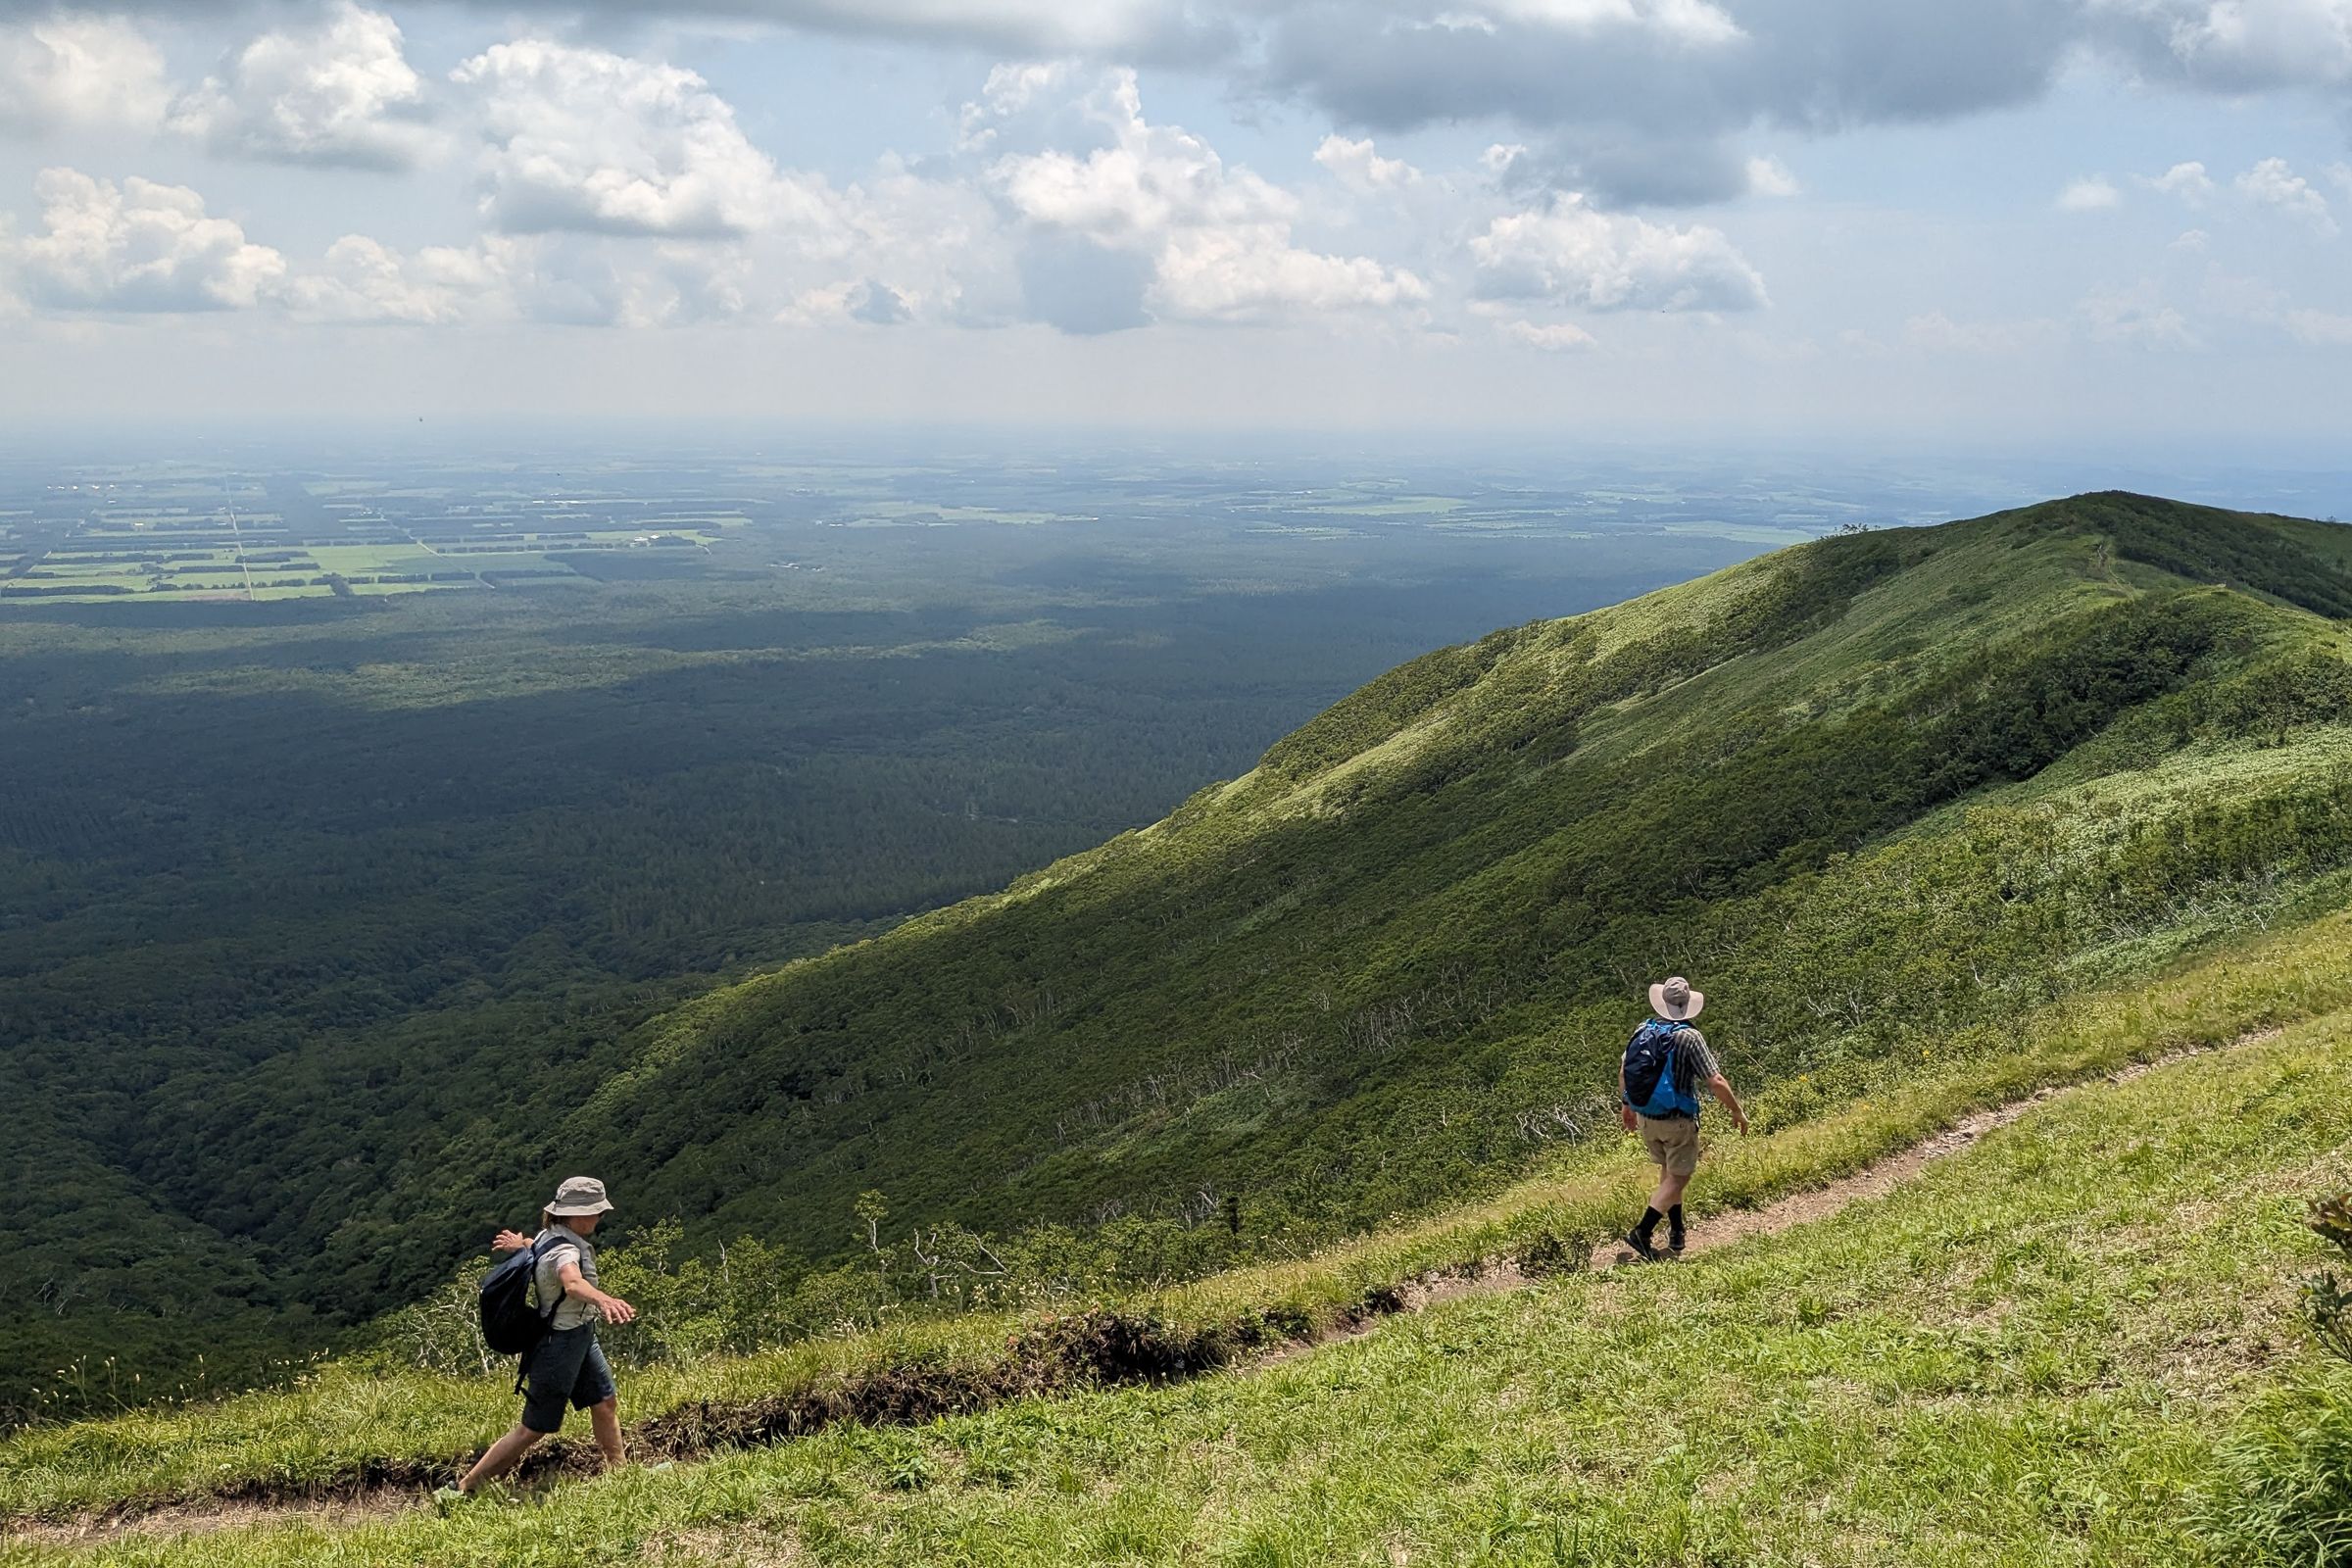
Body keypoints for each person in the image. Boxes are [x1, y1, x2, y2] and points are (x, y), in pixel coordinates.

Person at [438, 1176, 638, 1502]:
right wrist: (605, 1300)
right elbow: (572, 1283)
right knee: (533, 1428)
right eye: (593, 1212)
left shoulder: (551, 1236)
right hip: (558, 1345)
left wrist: (521, 1245)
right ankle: (462, 1489)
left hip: (580, 1336)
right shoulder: (566, 1250)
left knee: (604, 1402)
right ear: (571, 1214)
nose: (598, 1218)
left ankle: (621, 1476)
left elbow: (539, 1247)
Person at [1618, 976, 1748, 1261]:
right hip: (1677, 1119)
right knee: (1679, 1177)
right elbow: (1715, 1080)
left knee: (1668, 1171)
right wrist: (1736, 1110)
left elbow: (1624, 1069)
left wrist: (1627, 1104)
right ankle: (1643, 1230)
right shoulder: (1689, 1037)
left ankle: (1677, 1231)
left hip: (1646, 1116)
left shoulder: (1644, 1029)